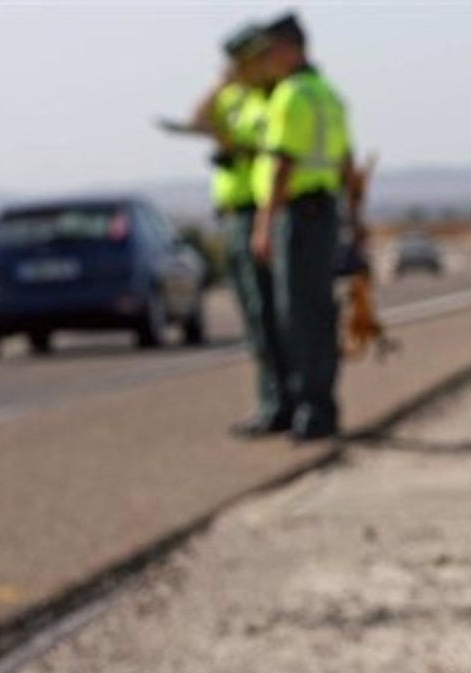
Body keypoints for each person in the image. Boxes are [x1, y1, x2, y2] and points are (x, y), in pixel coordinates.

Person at [251, 12, 360, 441]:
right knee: (318, 311)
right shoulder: (328, 94)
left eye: (270, 51)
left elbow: (282, 163)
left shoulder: (291, 95)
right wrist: (353, 216)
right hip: (324, 212)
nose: (268, 61)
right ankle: (321, 405)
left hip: (297, 214)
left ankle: (309, 409)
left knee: (296, 315)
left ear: (289, 48)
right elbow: (348, 163)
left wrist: (264, 224)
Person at [191, 23, 293, 437]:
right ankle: (273, 400)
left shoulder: (266, 99)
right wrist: (220, 84)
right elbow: (197, 119)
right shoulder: (234, 97)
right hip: (232, 214)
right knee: (255, 317)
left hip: (256, 211)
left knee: (267, 314)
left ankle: (280, 403)